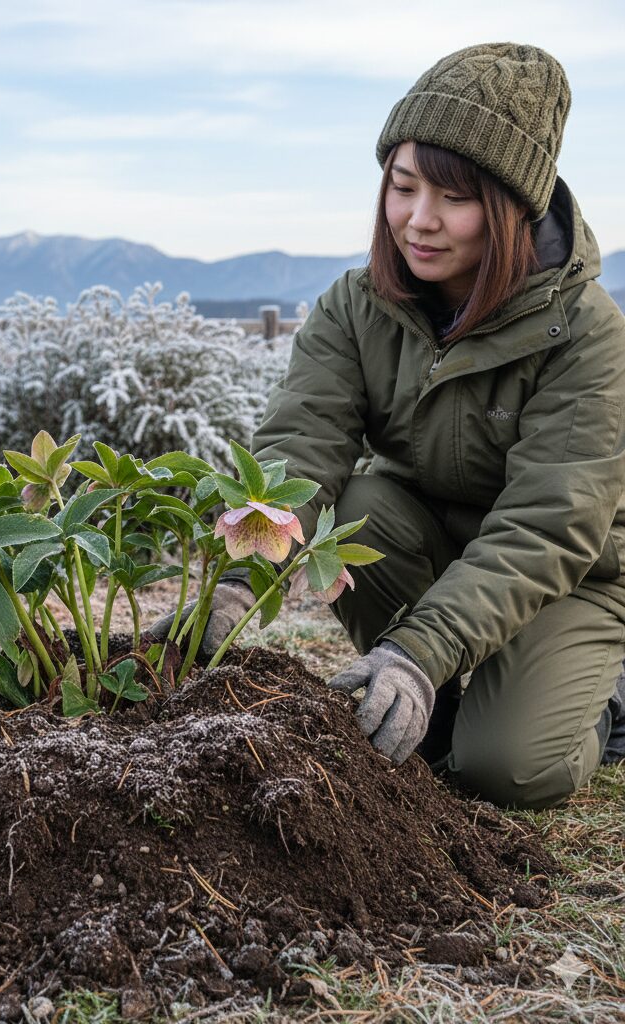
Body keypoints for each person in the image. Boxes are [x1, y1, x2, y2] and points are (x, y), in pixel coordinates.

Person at [150, 42, 625, 810]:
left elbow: (549, 527)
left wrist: (417, 650)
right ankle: (433, 700)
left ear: (510, 208)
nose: (418, 220)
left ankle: (606, 698)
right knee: (359, 508)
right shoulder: (356, 304)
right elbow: (304, 447)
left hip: (566, 577)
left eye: (453, 198)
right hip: (424, 534)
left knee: (501, 768)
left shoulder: (585, 332)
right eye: (402, 187)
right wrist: (239, 578)